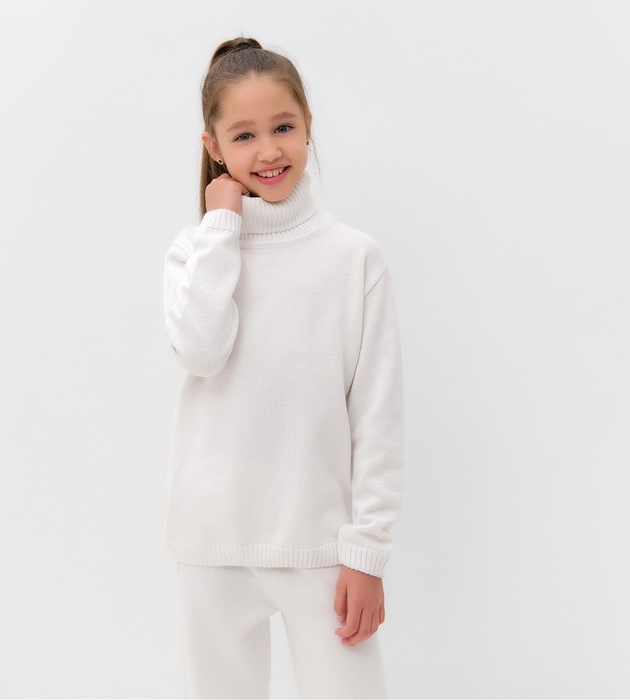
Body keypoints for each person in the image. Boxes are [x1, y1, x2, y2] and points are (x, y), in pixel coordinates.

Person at [162, 36, 405, 699]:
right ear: (214, 146)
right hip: (213, 545)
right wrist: (221, 230)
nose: (268, 150)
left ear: (308, 126)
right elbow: (201, 351)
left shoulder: (353, 259)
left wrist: (367, 552)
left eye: (283, 127)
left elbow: (377, 419)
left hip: (321, 548)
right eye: (244, 135)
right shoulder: (194, 253)